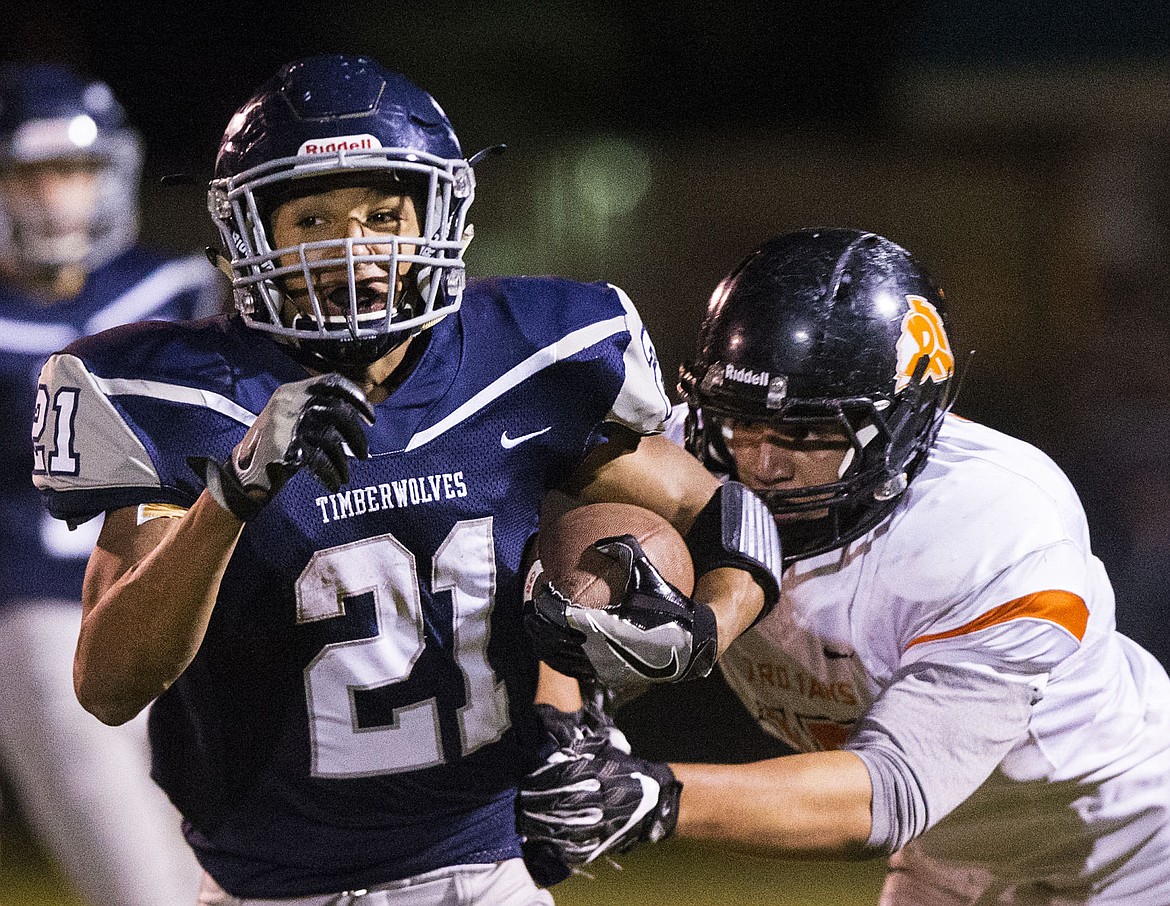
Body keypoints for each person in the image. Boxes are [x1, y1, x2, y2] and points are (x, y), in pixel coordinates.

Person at [32, 55, 782, 905]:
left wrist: (703, 632)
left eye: (383, 214)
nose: (354, 251)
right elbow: (108, 683)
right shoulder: (176, 392)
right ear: (251, 235)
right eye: (312, 218)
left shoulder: (524, 356)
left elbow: (724, 510)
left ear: (438, 211)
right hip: (271, 887)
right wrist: (230, 497)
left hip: (488, 867)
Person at [517, 228, 1170, 904]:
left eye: (804, 434)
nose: (759, 465)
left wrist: (652, 798)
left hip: (1132, 841)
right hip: (947, 853)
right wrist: (564, 720)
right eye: (739, 421)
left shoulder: (996, 522)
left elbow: (886, 793)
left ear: (906, 423)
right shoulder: (687, 464)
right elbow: (547, 556)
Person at [0, 62, 221, 906]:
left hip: (180, 601)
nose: (58, 198)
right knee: (143, 889)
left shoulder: (174, 289)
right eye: (34, 173)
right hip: (41, 617)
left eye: (79, 171)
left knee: (231, 878)